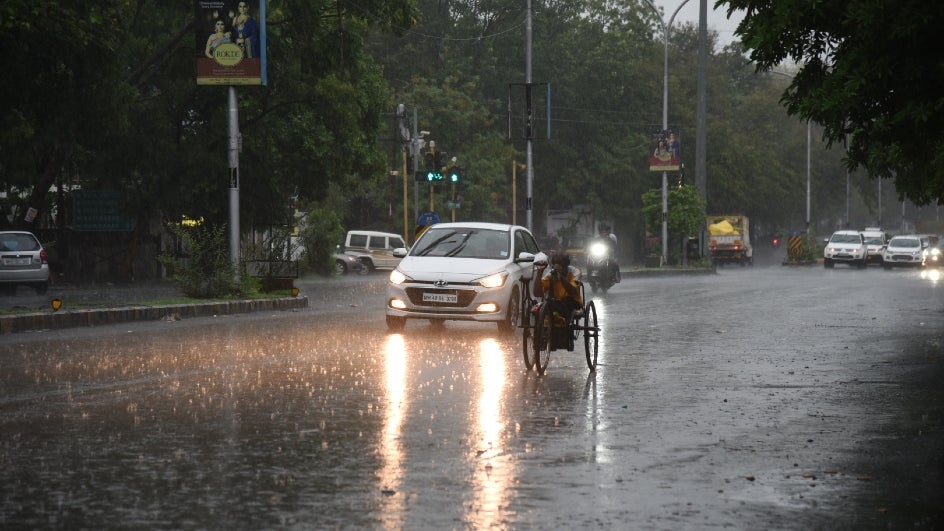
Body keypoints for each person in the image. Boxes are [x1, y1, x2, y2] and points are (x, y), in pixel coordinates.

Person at [533, 251, 584, 321]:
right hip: (556, 302)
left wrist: (561, 276)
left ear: (567, 264)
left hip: (572, 302)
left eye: (561, 264)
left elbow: (573, 291)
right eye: (556, 265)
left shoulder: (575, 272)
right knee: (545, 305)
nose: (559, 267)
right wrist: (539, 273)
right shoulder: (550, 274)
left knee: (566, 301)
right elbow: (537, 293)